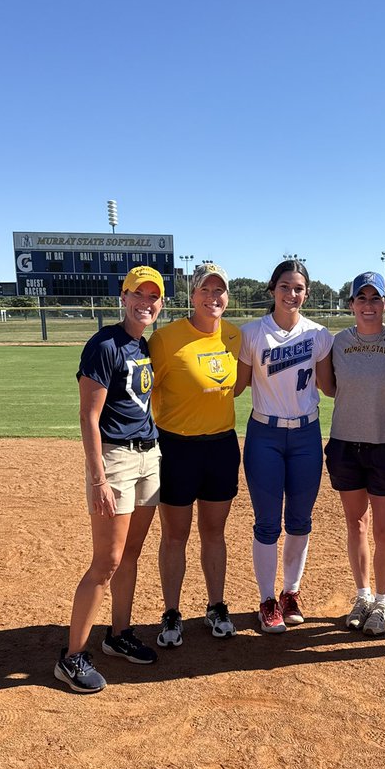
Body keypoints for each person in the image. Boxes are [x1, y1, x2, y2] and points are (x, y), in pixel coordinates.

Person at [55, 266, 164, 693]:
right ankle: (71, 658)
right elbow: (88, 415)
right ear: (124, 297)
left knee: (131, 553)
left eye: (153, 297)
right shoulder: (104, 345)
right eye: (139, 294)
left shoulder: (144, 346)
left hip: (148, 456)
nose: (146, 302)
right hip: (116, 461)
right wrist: (98, 477)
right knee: (107, 562)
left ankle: (118, 635)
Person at [235, 259, 333, 633]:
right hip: (265, 435)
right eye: (285, 287)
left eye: (298, 288)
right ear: (272, 289)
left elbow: (328, 387)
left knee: (300, 521)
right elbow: (238, 385)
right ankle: (266, 600)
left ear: (306, 293)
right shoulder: (252, 333)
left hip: (307, 434)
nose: (291, 294)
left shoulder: (319, 334)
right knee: (266, 524)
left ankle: (291, 592)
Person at [148, 263, 241, 647]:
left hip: (220, 445)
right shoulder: (166, 339)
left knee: (214, 532)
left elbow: (236, 388)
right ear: (192, 295)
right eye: (206, 290)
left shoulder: (234, 336)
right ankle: (171, 612)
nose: (213, 297)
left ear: (227, 297)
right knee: (175, 534)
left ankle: (216, 606)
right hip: (177, 447)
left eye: (219, 290)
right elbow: (143, 390)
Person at [319, 270, 385, 636]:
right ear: (351, 304)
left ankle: (382, 601)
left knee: (384, 531)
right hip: (346, 443)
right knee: (355, 524)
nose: (369, 305)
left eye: (376, 299)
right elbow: (328, 388)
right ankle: (362, 596)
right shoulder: (337, 342)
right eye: (362, 298)